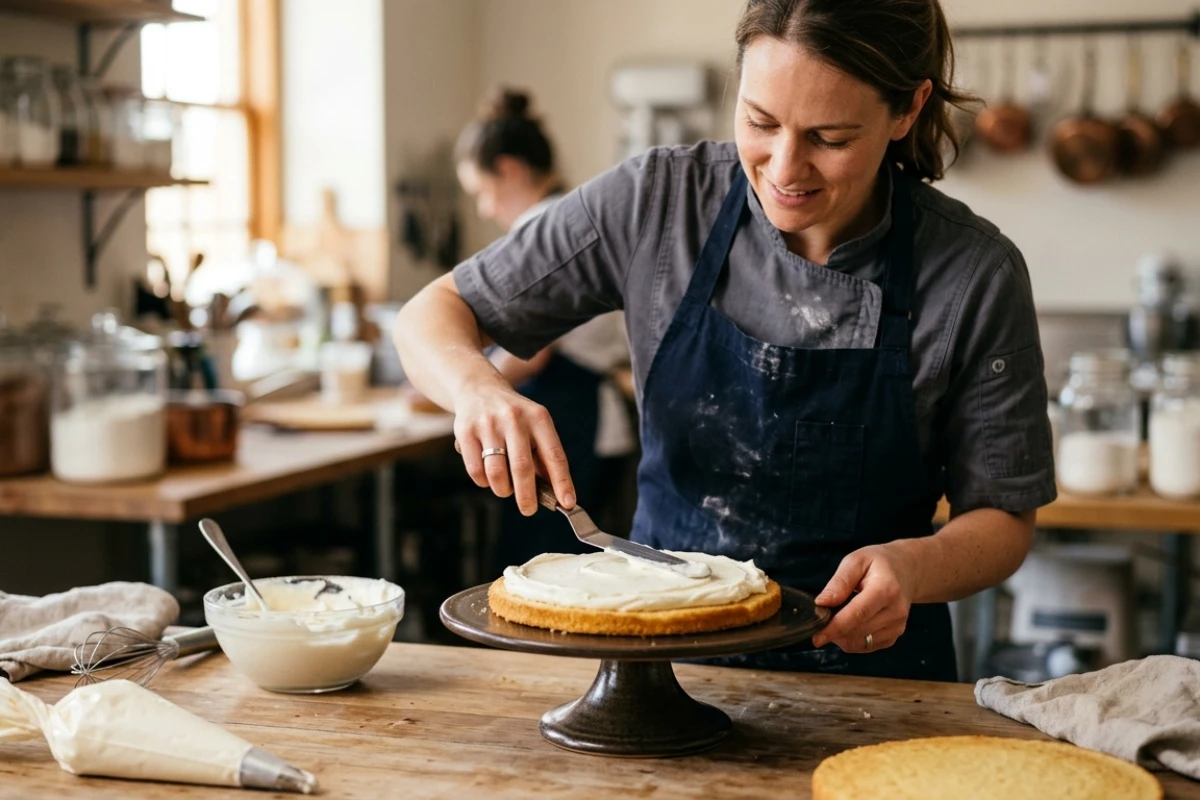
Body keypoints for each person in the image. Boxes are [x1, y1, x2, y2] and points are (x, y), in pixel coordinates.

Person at [395, 0, 1056, 681]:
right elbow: (432, 313)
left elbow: (1003, 518)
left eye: (830, 138)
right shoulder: (659, 201)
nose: (785, 168)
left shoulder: (974, 274)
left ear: (908, 111)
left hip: (873, 677)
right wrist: (477, 389)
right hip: (661, 669)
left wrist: (914, 568)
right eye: (760, 122)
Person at [453, 88, 636, 576]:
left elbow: (531, 355)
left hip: (568, 415)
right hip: (587, 413)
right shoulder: (572, 215)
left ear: (508, 169)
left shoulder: (541, 229)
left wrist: (461, 383)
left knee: (544, 570)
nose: (484, 210)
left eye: (481, 193)